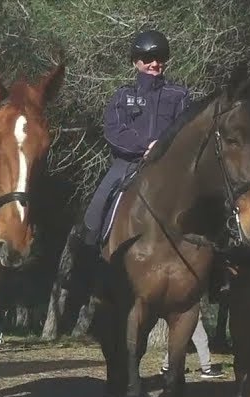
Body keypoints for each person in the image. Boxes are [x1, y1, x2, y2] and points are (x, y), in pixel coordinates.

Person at [81, 29, 191, 246]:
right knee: (95, 213)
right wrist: (146, 145)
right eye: (148, 59)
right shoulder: (123, 96)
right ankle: (87, 259)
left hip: (168, 163)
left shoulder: (179, 95)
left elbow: (184, 128)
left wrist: (163, 147)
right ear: (135, 63)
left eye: (160, 58)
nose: (154, 64)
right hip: (127, 164)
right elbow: (114, 131)